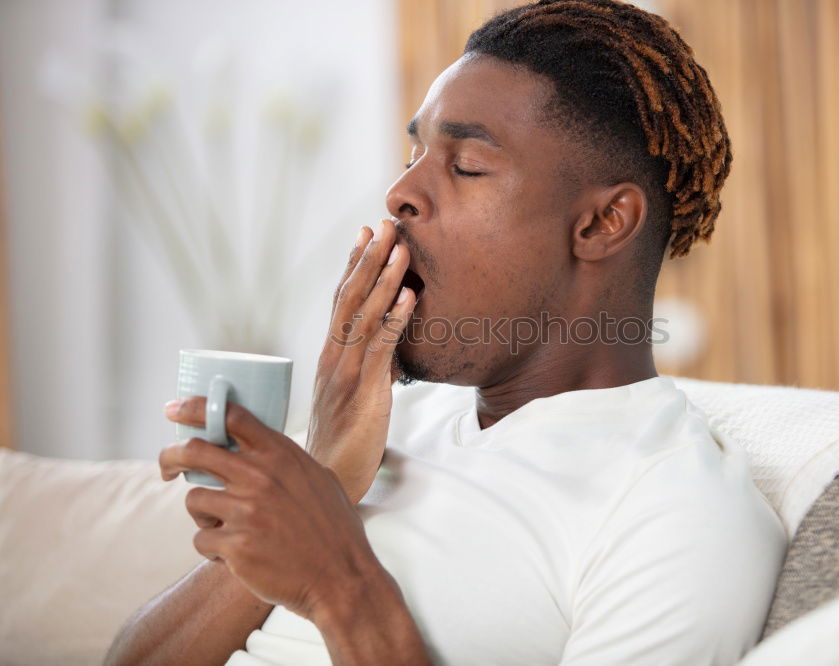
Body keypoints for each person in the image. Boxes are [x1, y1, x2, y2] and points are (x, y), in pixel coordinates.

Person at [104, 1, 787, 664]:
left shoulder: (676, 519)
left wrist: (340, 586)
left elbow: (334, 585)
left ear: (601, 224)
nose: (399, 193)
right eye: (414, 151)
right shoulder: (385, 426)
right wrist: (328, 474)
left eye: (465, 165)